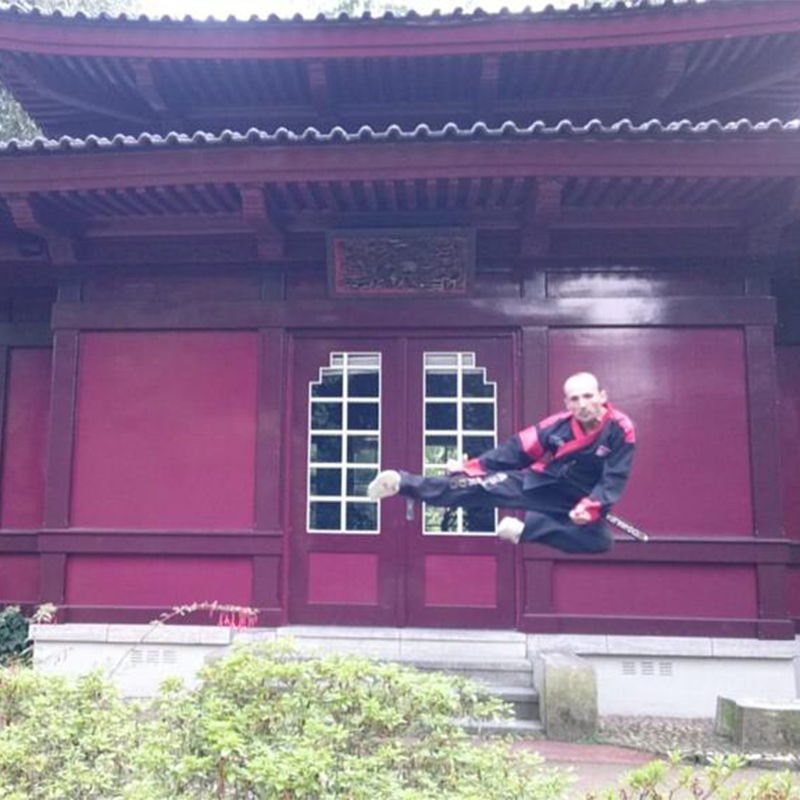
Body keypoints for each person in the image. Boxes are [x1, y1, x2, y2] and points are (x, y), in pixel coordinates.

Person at [367, 372, 635, 554]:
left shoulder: (621, 429)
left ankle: (524, 530)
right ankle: (402, 483)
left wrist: (591, 507)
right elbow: (516, 451)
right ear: (566, 403)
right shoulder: (556, 426)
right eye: (575, 399)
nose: (583, 404)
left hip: (583, 498)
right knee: (476, 487)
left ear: (602, 396)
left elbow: (613, 478)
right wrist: (471, 467)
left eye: (588, 396)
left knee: (600, 541)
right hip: (544, 484)